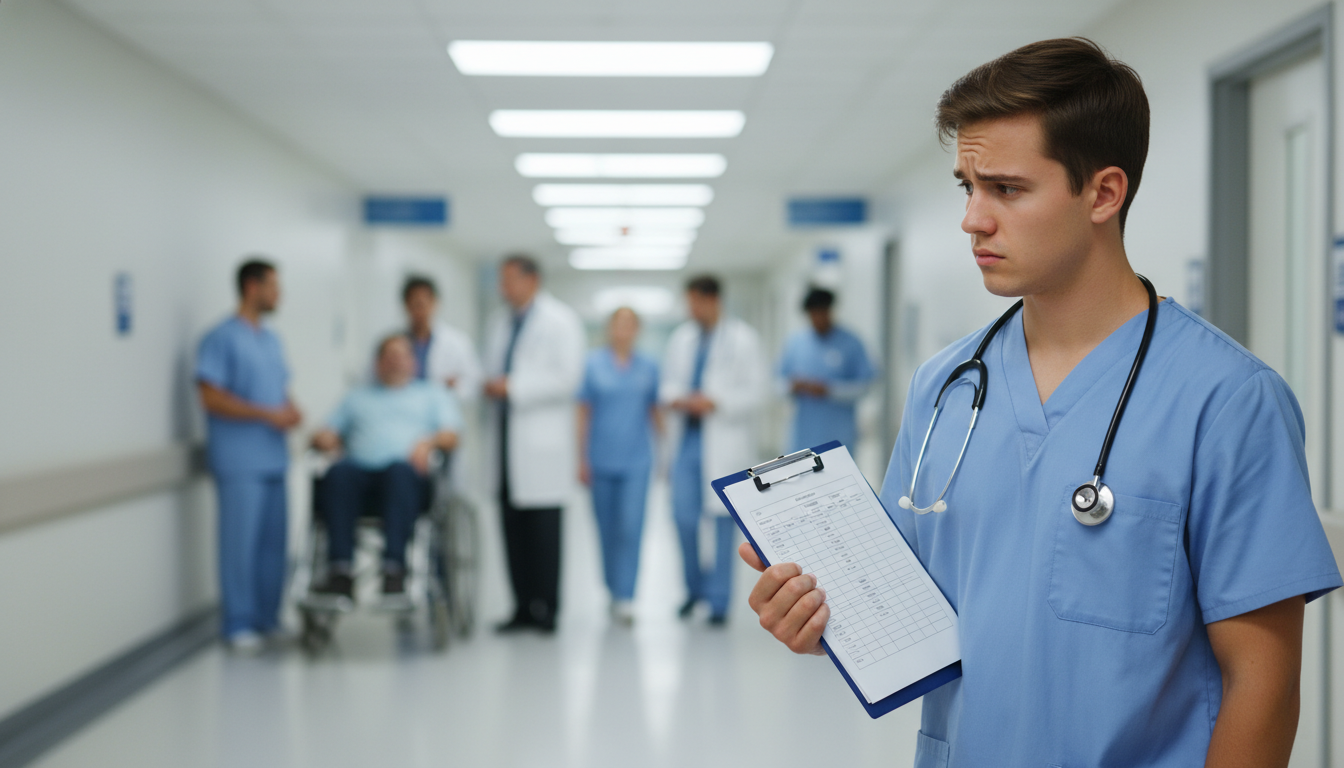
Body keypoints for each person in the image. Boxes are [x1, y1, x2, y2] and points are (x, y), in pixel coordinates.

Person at [743, 38, 1342, 768]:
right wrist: (815, 613)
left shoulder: (1227, 401)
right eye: (968, 186)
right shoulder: (945, 385)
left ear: (1103, 193)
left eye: (1007, 189)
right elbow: (907, 618)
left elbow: (1265, 686)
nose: (973, 219)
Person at [308, 335, 462, 607]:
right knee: (338, 472)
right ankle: (340, 570)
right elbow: (326, 431)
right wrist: (325, 438)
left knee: (398, 472)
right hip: (359, 480)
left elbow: (452, 436)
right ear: (377, 363)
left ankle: (394, 569)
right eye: (388, 356)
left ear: (413, 362)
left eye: (401, 355)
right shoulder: (356, 397)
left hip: (405, 481)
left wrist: (429, 442)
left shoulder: (431, 395)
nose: (394, 362)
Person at [196, 259, 302, 651]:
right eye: (274, 286)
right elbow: (209, 396)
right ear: (252, 287)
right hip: (239, 459)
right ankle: (238, 622)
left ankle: (267, 618)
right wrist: (266, 414)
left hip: (275, 456)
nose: (280, 295)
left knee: (274, 545)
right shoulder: (220, 338)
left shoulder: (271, 339)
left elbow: (279, 388)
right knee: (239, 544)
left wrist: (291, 410)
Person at [484, 254, 585, 633]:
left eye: (509, 279)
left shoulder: (560, 321)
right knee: (512, 529)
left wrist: (512, 386)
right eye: (501, 280)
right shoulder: (500, 324)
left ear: (532, 280)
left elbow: (568, 378)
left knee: (544, 533)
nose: (503, 288)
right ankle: (521, 607)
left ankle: (548, 611)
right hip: (506, 441)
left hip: (542, 446)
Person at [662, 275, 767, 625]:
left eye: (696, 302)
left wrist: (715, 402)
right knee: (683, 519)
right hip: (687, 442)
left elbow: (756, 392)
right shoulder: (681, 338)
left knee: (723, 524)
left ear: (713, 301)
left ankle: (719, 602)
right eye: (688, 302)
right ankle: (694, 591)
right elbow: (667, 383)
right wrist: (676, 397)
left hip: (723, 441)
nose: (691, 309)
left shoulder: (744, 339)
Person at [577, 307, 661, 626]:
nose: (623, 330)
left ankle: (626, 596)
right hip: (600, 458)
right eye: (618, 324)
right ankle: (611, 590)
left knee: (631, 526)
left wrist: (667, 454)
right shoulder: (593, 364)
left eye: (629, 325)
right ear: (609, 328)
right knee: (606, 528)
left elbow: (656, 412)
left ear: (637, 330)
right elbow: (583, 412)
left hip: (637, 459)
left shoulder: (649, 366)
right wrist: (581, 458)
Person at [778, 287, 876, 452]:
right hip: (803, 436)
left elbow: (866, 386)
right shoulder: (796, 343)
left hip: (839, 437)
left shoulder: (851, 343)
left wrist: (830, 390)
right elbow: (777, 383)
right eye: (812, 315)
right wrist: (793, 386)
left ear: (830, 311)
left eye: (821, 313)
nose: (817, 319)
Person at [401, 275, 482, 407]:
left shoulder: (457, 342)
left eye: (423, 304)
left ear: (435, 303)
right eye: (415, 304)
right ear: (406, 305)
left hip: (443, 414)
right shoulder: (395, 343)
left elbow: (475, 384)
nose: (420, 311)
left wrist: (455, 387)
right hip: (406, 412)